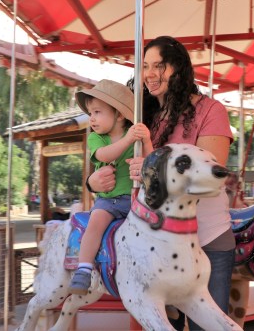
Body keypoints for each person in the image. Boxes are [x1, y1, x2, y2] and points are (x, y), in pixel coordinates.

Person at [87, 36, 235, 330]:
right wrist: (93, 182)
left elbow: (211, 172)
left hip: (205, 236)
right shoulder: (140, 116)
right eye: (145, 66)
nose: (150, 73)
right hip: (153, 244)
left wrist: (150, 166)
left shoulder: (210, 110)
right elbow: (108, 157)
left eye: (159, 66)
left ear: (178, 68)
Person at [68, 79, 153, 295]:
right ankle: (84, 269)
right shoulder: (96, 138)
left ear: (119, 115)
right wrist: (128, 140)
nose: (92, 118)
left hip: (135, 199)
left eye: (97, 112)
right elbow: (104, 156)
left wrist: (146, 141)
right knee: (95, 223)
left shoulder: (134, 136)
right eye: (91, 113)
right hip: (108, 200)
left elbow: (151, 161)